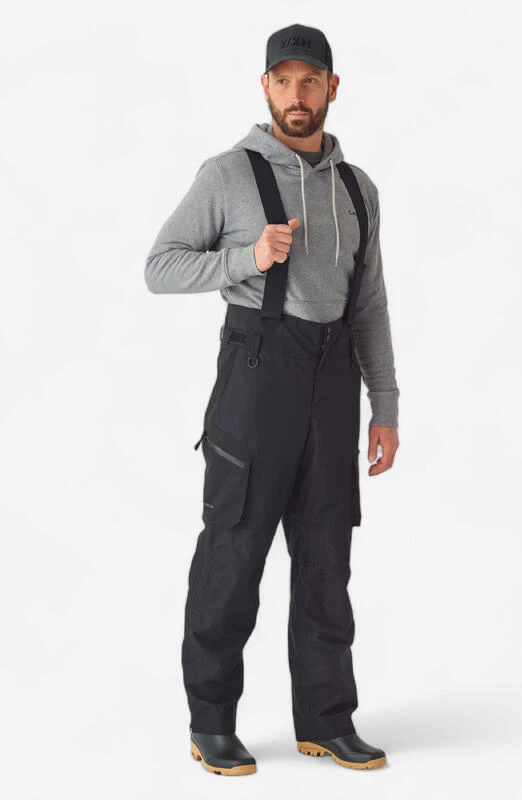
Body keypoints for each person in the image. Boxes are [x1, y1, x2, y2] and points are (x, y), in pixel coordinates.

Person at [145, 23, 399, 775]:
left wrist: (384, 405)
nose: (296, 93)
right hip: (257, 380)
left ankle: (326, 721)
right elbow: (160, 266)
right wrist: (246, 258)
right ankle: (211, 722)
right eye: (283, 80)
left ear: (331, 87)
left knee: (326, 561)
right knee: (233, 555)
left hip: (334, 387)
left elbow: (370, 304)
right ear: (265, 88)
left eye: (309, 79)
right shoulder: (227, 174)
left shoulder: (358, 189)